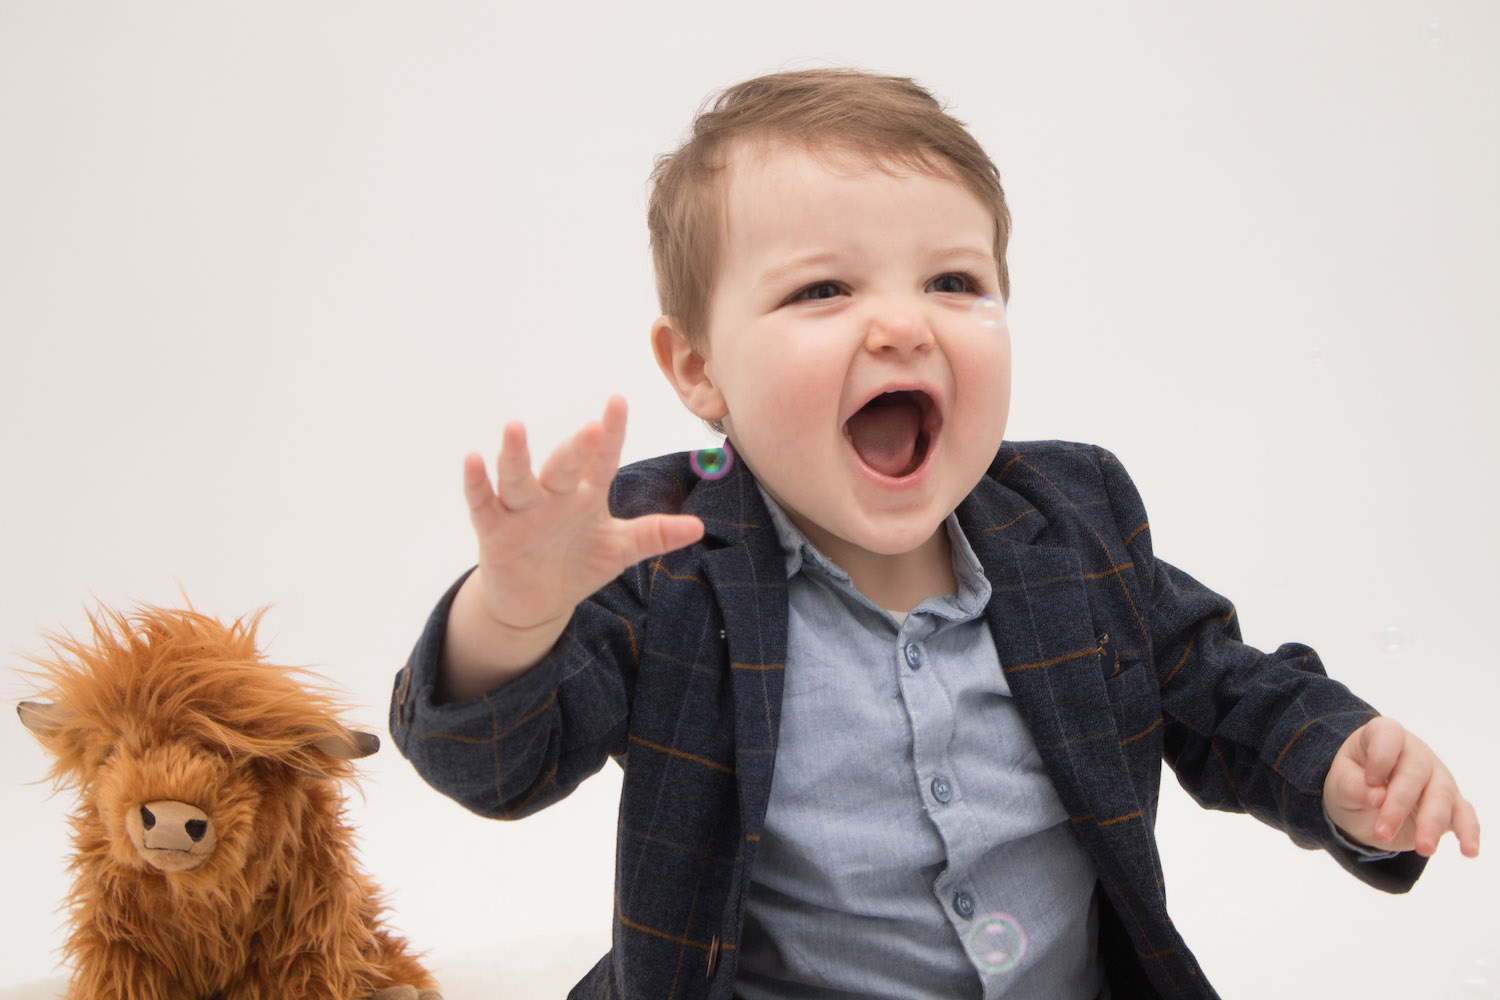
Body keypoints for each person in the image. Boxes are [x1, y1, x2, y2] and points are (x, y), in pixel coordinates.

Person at [389, 69, 1480, 999]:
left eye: (955, 281)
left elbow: (1220, 687)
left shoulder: (1073, 517)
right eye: (822, 288)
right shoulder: (662, 547)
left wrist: (1339, 763)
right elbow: (495, 767)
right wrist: (516, 613)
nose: (904, 322)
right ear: (697, 368)